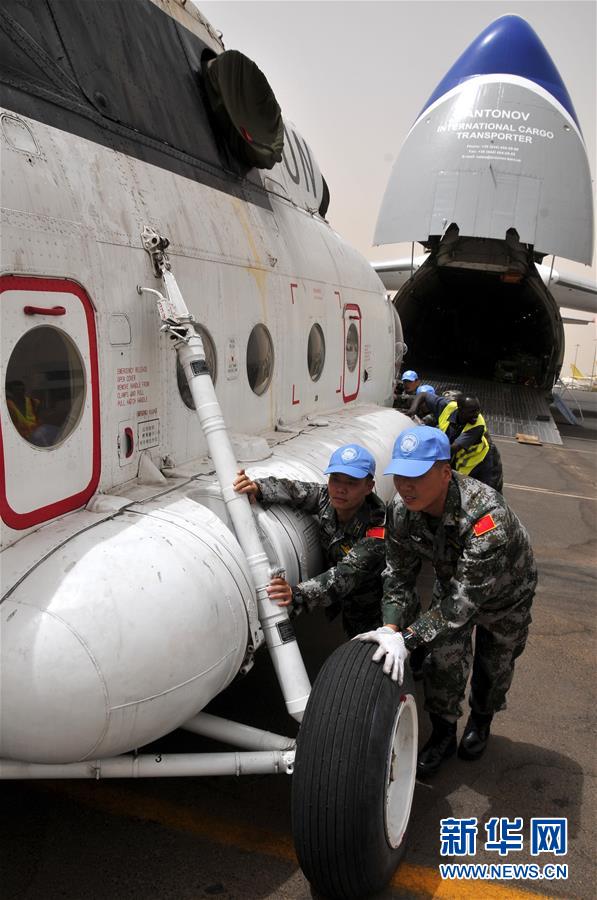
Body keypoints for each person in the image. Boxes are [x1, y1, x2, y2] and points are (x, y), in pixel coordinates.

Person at [356, 426, 537, 776]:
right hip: (453, 582)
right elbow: (398, 574)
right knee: (441, 659)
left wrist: (407, 639)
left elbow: (463, 603)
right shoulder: (401, 511)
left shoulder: (486, 518)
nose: (406, 486)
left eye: (416, 476)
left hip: (505, 596)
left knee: (495, 665)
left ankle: (481, 720)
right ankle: (443, 735)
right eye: (400, 476)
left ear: (444, 472)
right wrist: (390, 627)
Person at [233, 444, 386, 637]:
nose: (340, 489)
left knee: (373, 648)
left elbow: (347, 573)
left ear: (369, 487)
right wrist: (258, 488)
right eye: (335, 479)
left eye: (351, 482)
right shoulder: (326, 497)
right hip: (349, 605)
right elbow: (294, 490)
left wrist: (297, 593)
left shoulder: (377, 528)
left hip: (377, 610)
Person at [407, 391, 503, 492]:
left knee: (490, 494)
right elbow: (423, 395)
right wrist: (413, 410)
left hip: (484, 462)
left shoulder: (477, 426)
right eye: (471, 412)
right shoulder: (447, 407)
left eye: (478, 410)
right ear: (460, 409)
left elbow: (451, 449)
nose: (476, 415)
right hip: (461, 461)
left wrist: (420, 456)